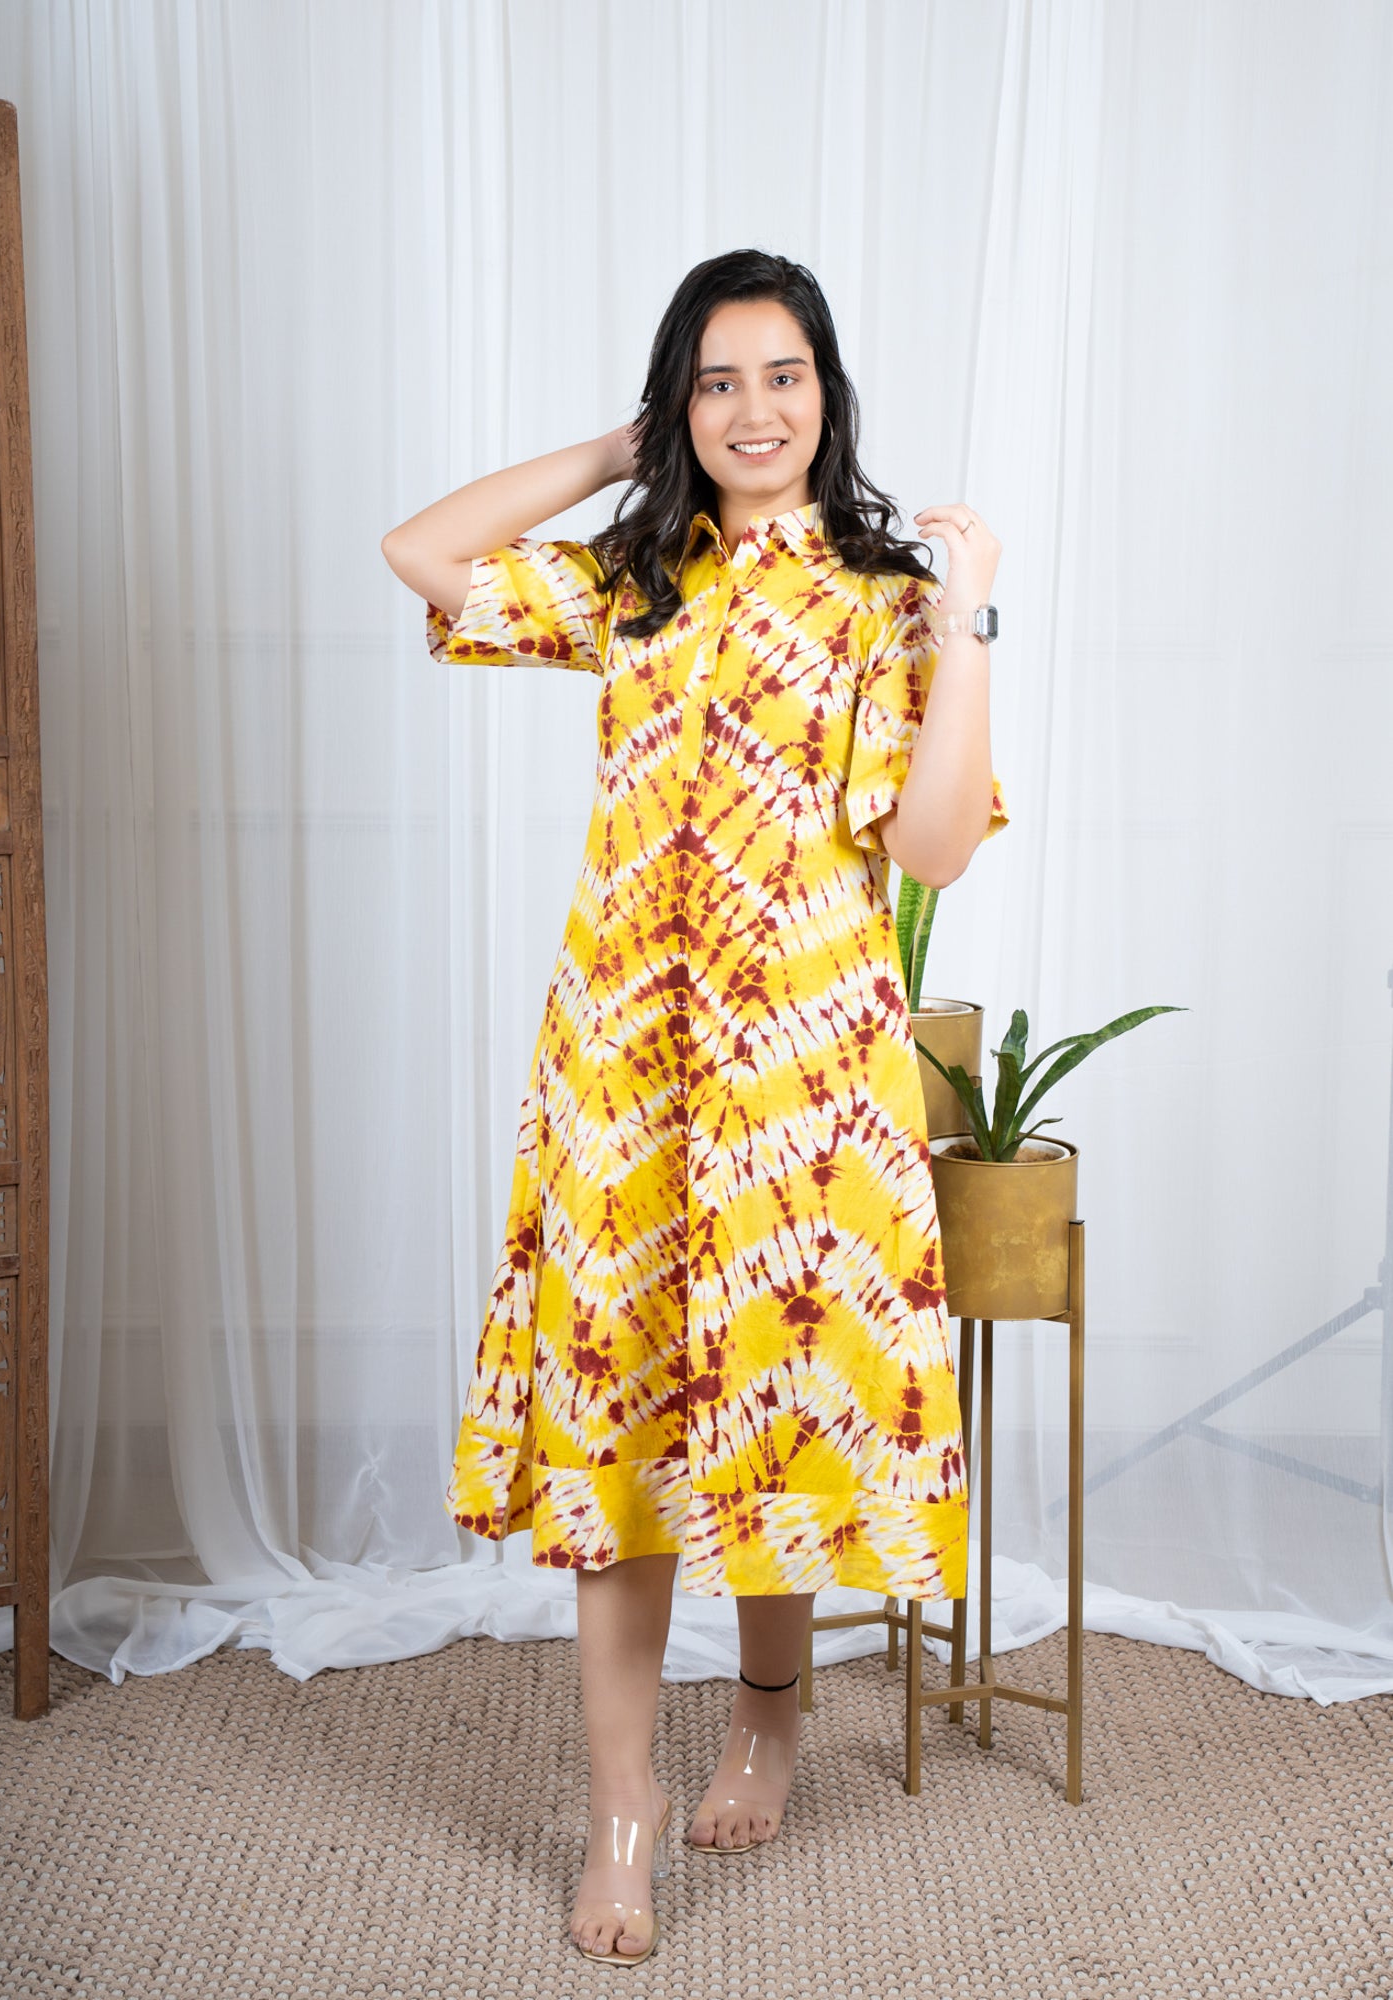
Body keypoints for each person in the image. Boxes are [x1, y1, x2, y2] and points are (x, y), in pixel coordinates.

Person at [381, 248, 1009, 1967]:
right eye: (716, 380)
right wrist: (617, 450)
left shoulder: (884, 601)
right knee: (625, 1435)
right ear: (683, 402)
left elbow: (937, 848)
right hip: (625, 1079)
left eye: (782, 374)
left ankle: (770, 1722)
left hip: (806, 1080)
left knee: (775, 1406)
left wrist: (962, 624)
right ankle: (621, 1814)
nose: (754, 409)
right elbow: (422, 553)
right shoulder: (634, 585)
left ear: (829, 392)